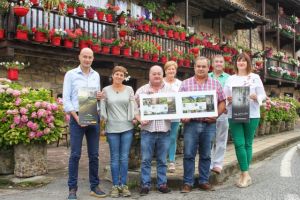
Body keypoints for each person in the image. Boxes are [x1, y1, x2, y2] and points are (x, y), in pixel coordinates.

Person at [63, 48, 106, 200]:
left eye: (90, 57)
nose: (87, 59)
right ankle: (72, 189)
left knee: (94, 155)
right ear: (79, 57)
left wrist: (99, 96)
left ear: (93, 59)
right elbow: (66, 100)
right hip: (77, 117)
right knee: (75, 155)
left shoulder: (96, 75)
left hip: (92, 114)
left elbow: (95, 96)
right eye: (85, 57)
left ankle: (94, 186)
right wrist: (76, 117)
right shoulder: (71, 74)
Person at [179, 56, 226, 193]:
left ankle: (204, 181)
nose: (201, 69)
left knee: (206, 154)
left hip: (209, 124)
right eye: (198, 66)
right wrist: (183, 116)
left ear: (208, 68)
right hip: (191, 125)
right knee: (188, 154)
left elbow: (222, 102)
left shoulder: (215, 84)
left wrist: (215, 115)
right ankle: (188, 182)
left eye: (203, 66)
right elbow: (179, 103)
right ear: (194, 67)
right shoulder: (185, 84)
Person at [224, 52, 266, 188]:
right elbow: (224, 97)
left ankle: (244, 174)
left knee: (248, 144)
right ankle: (245, 173)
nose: (241, 62)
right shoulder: (230, 79)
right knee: (238, 143)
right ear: (236, 63)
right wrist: (228, 100)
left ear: (248, 63)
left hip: (252, 113)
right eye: (239, 60)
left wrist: (256, 97)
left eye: (244, 60)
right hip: (234, 113)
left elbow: (263, 96)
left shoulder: (255, 77)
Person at [135, 65, 172, 196]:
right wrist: (140, 119)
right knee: (146, 160)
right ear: (149, 75)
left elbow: (175, 107)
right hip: (147, 130)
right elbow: (133, 109)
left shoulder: (170, 90)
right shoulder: (141, 90)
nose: (156, 76)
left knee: (162, 160)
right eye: (154, 74)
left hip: (164, 130)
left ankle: (162, 184)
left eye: (159, 73)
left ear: (162, 75)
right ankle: (145, 184)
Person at [101, 66, 135, 198]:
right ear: (112, 75)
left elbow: (133, 106)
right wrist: (103, 125)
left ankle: (124, 185)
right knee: (114, 158)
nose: (119, 76)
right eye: (117, 74)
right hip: (112, 128)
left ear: (124, 77)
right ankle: (115, 186)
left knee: (124, 158)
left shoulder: (129, 89)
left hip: (127, 127)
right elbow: (103, 109)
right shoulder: (106, 90)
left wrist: (134, 118)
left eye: (121, 75)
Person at [208, 55, 230, 174]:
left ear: (224, 64)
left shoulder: (229, 78)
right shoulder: (207, 76)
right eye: (216, 61)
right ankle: (209, 163)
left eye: (221, 61)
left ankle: (218, 164)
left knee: (221, 139)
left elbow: (231, 94)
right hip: (209, 112)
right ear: (213, 63)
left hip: (224, 112)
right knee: (209, 138)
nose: (218, 63)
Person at [163, 61, 182, 173]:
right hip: (162, 115)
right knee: (162, 137)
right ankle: (162, 159)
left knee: (172, 137)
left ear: (175, 71)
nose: (171, 71)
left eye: (173, 69)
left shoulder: (180, 83)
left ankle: (171, 161)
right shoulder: (161, 82)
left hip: (175, 115)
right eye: (169, 69)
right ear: (165, 71)